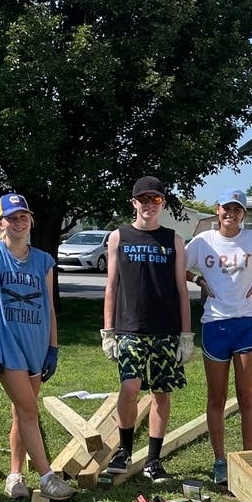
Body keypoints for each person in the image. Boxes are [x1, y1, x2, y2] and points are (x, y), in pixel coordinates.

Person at [0, 193, 75, 501]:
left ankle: (15, 475)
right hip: (7, 345)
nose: (18, 222)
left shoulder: (43, 260)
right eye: (12, 217)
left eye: (23, 217)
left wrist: (53, 347)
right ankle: (46, 477)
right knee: (30, 410)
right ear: (1, 222)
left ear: (30, 221)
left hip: (36, 344)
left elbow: (49, 307)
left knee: (21, 412)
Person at [185, 189, 252, 485]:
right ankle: (220, 461)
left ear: (244, 214)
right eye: (226, 208)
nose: (231, 214)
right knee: (216, 397)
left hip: (246, 322)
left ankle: (248, 459)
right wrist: (198, 279)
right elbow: (177, 266)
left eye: (237, 209)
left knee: (246, 396)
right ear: (217, 210)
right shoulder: (203, 241)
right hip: (215, 324)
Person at [100, 176, 194, 480]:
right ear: (134, 203)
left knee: (160, 394)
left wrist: (186, 335)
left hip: (166, 330)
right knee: (129, 388)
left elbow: (182, 289)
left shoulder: (173, 239)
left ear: (163, 203)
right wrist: (108, 331)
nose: (149, 205)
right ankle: (124, 450)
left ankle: (154, 460)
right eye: (143, 199)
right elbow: (111, 286)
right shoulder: (119, 237)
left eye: (155, 199)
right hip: (129, 328)